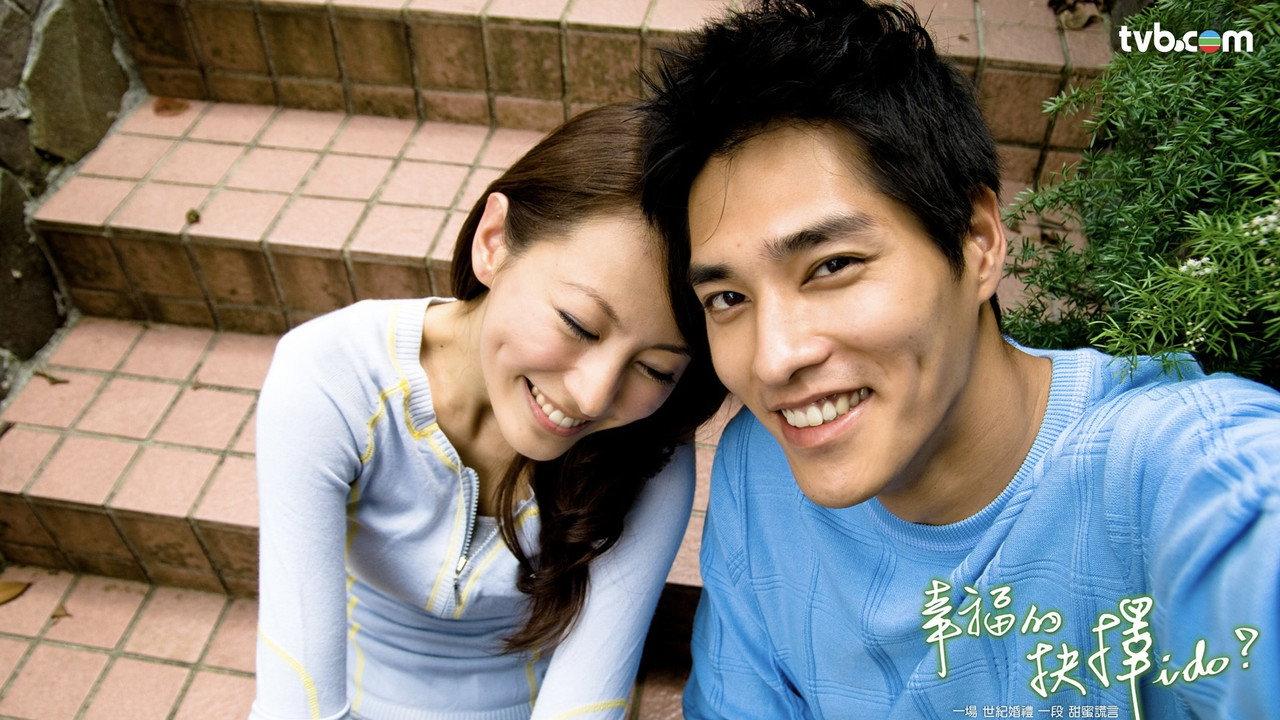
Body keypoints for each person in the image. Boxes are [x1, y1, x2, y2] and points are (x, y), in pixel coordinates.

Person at [638, 1, 1280, 718]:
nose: (773, 359)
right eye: (728, 298)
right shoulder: (759, 471)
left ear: (978, 242)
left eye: (832, 265)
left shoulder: (1172, 478)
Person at [250, 103, 725, 720]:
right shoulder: (332, 378)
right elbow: (296, 700)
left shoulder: (648, 452)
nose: (592, 396)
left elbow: (584, 702)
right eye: (579, 324)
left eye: (656, 368)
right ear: (494, 241)